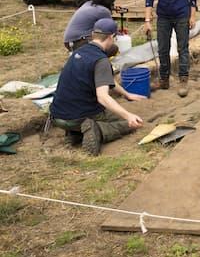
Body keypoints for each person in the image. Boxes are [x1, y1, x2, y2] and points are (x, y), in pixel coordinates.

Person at [50, 19, 145, 156]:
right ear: (111, 37)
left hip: (58, 116)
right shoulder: (101, 60)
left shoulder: (80, 51)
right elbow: (103, 97)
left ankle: (75, 134)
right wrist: (128, 115)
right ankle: (98, 130)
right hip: (79, 116)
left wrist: (126, 94)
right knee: (129, 123)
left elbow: (107, 80)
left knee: (110, 113)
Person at [144, 0, 197, 98]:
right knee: (163, 48)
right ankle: (164, 79)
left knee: (183, 48)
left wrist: (192, 16)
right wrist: (147, 20)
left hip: (182, 14)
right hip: (164, 16)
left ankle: (183, 80)